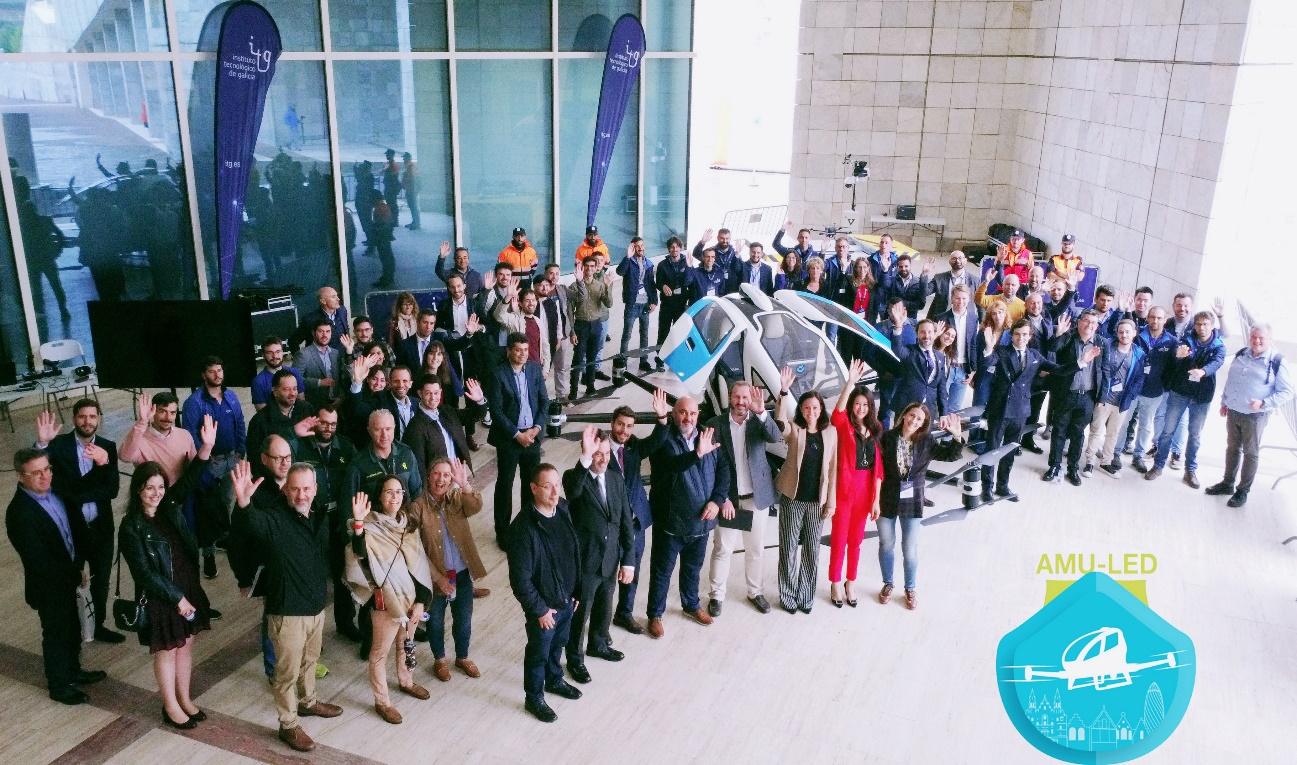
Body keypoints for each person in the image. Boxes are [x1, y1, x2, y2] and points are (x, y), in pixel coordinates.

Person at [231, 460, 341, 752]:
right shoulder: (274, 519)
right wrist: (243, 504)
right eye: (294, 489)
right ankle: (288, 724)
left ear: (315, 489)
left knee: (310, 661)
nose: (301, 495)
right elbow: (250, 524)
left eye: (306, 488)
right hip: (287, 611)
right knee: (286, 673)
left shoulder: (319, 515)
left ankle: (308, 702)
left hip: (316, 606)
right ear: (285, 490)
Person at [118, 415, 217, 729]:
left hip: (185, 585)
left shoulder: (170, 505)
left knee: (186, 645)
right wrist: (177, 599)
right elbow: (144, 574)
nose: (156, 493)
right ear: (138, 490)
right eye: (149, 488)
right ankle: (170, 706)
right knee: (168, 650)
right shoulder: (131, 526)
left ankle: (185, 699)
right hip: (162, 596)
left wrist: (206, 447)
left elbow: (190, 479)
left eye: (160, 487)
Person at [7, 448, 107, 705]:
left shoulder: (57, 491)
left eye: (47, 469)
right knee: (56, 634)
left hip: (71, 574)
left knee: (73, 628)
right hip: (49, 586)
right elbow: (39, 561)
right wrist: (75, 574)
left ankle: (73, 670)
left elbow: (74, 528)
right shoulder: (19, 513)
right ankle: (59, 685)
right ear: (20, 476)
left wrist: (81, 562)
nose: (45, 476)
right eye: (37, 473)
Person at [344, 479, 433, 725]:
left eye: (398, 492)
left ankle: (406, 682)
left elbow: (419, 566)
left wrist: (420, 601)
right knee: (379, 653)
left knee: (406, 644)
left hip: (410, 600)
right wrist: (359, 524)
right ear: (380, 496)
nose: (394, 497)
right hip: (386, 601)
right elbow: (360, 554)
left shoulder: (409, 524)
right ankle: (382, 702)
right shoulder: (369, 525)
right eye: (389, 492)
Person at [35, 402, 123, 644]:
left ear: (99, 419)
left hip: (100, 527)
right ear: (74, 419)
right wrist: (41, 444)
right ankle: (73, 629)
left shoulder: (107, 446)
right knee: (70, 580)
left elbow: (112, 489)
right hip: (71, 529)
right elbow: (37, 469)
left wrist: (75, 495)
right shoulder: (58, 445)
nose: (87, 421)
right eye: (82, 416)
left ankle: (97, 625)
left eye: (92, 416)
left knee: (101, 580)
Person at [644, 396, 728, 637]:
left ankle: (691, 605)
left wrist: (717, 500)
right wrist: (697, 454)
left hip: (701, 522)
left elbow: (723, 469)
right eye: (682, 412)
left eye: (692, 413)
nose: (687, 418)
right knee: (662, 571)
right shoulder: (663, 438)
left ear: (698, 414)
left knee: (693, 568)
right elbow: (670, 465)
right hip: (671, 522)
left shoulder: (709, 435)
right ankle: (655, 614)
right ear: (673, 414)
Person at [507, 464, 584, 723]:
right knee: (538, 654)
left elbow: (572, 553)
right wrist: (539, 610)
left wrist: (576, 591)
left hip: (566, 601)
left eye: (557, 485)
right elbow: (520, 580)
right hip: (544, 609)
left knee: (558, 645)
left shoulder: (561, 509)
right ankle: (534, 698)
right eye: (547, 486)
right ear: (533, 488)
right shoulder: (523, 529)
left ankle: (554, 680)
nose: (554, 492)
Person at [562, 427, 636, 684]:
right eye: (597, 454)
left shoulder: (615, 479)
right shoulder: (575, 477)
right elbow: (572, 492)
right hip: (586, 562)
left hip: (610, 559)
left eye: (606, 454)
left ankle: (598, 644)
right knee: (580, 614)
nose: (603, 459)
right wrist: (586, 456)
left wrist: (628, 561)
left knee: (605, 607)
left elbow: (625, 521)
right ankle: (575, 659)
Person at [705, 382, 782, 617]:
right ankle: (717, 595)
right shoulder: (714, 425)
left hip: (756, 498)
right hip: (729, 501)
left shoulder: (758, 421)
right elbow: (709, 467)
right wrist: (721, 499)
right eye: (737, 397)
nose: (740, 402)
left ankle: (755, 592)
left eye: (745, 397)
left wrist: (761, 412)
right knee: (722, 549)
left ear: (750, 399)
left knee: (755, 550)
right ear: (730, 398)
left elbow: (775, 436)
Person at [406, 458, 486, 682]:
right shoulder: (417, 507)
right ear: (428, 476)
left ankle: (462, 657)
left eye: (446, 475)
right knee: (435, 621)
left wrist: (464, 484)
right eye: (437, 474)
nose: (441, 479)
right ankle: (439, 660)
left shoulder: (457, 498)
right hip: (433, 577)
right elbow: (415, 549)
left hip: (462, 573)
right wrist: (437, 577)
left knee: (464, 619)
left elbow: (476, 506)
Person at [877, 405, 964, 610]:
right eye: (912, 415)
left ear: (923, 423)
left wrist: (957, 436)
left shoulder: (926, 441)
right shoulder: (887, 438)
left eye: (919, 419)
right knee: (886, 544)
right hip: (886, 498)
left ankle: (910, 588)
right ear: (904, 415)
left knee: (910, 548)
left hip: (913, 501)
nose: (914, 421)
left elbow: (950, 455)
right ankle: (888, 583)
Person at [292, 404, 360, 641]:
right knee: (314, 576)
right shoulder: (300, 446)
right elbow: (280, 458)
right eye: (323, 423)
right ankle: (313, 633)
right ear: (314, 421)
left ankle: (345, 623)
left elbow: (356, 482)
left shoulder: (347, 448)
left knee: (343, 574)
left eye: (333, 424)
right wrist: (293, 434)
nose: (328, 428)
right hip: (312, 521)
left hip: (339, 520)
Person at [773, 367, 838, 614]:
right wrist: (783, 391)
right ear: (801, 410)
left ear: (821, 409)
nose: (811, 412)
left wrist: (830, 502)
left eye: (815, 408)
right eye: (807, 408)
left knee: (812, 551)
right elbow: (780, 422)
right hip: (793, 498)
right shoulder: (794, 429)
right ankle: (788, 595)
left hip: (816, 503)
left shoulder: (830, 432)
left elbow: (832, 469)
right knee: (788, 548)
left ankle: (806, 596)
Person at [1206, 324, 1294, 507]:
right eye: (1253, 337)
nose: (1257, 341)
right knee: (1232, 448)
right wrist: (1225, 402)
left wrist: (1264, 403)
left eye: (1261, 338)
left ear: (1270, 340)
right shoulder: (1242, 354)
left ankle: (1242, 491)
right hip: (1233, 410)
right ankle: (1227, 483)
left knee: (1250, 453)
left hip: (1255, 416)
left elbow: (1287, 392)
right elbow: (1232, 380)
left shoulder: (1276, 361)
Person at [608, 398, 670, 634]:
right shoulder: (600, 450)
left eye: (629, 426)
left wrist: (662, 418)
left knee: (631, 571)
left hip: (635, 522)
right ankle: (600, 623)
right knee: (607, 576)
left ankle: (624, 614)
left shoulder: (633, 447)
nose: (624, 430)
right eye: (620, 424)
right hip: (611, 524)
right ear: (612, 423)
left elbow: (656, 441)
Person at [1145, 311, 1227, 488]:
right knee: (1167, 431)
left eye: (1205, 324)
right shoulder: (1187, 339)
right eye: (1198, 324)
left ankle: (1190, 471)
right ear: (1194, 325)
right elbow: (1177, 357)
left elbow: (1218, 362)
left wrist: (1203, 371)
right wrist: (1179, 356)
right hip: (1180, 391)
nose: (1201, 328)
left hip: (1202, 396)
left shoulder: (1219, 345)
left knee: (1195, 435)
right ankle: (1158, 465)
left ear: (1212, 326)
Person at [825, 360, 883, 607]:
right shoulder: (844, 425)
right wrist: (850, 383)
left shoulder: (876, 428)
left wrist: (876, 499)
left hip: (865, 489)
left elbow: (878, 468)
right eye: (857, 404)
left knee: (856, 541)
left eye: (865, 404)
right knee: (839, 538)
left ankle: (851, 581)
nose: (860, 408)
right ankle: (835, 582)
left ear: (870, 407)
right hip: (844, 489)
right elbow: (836, 414)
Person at [182, 356, 246, 579]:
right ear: (204, 375)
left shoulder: (231, 396)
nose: (217, 375)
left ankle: (223, 538)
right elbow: (189, 434)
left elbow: (240, 422)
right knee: (207, 510)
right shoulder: (194, 403)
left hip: (232, 459)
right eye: (212, 371)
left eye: (219, 370)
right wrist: (203, 460)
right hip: (210, 464)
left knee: (226, 501)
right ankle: (208, 554)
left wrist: (241, 448)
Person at [981, 320, 1057, 501]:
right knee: (992, 450)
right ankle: (987, 488)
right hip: (999, 409)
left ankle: (1003, 486)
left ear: (1030, 336)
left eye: (1024, 334)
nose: (1020, 338)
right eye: (1017, 334)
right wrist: (989, 349)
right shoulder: (1001, 351)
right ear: (1012, 335)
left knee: (1010, 451)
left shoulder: (1034, 355)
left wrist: (1080, 362)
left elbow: (1058, 370)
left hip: (1020, 411)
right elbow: (987, 363)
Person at [487, 332, 549, 546]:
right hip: (509, 439)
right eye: (518, 350)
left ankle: (527, 527)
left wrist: (536, 429)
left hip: (532, 436)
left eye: (525, 350)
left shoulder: (534, 369)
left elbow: (544, 402)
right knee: (505, 485)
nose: (523, 354)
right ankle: (502, 532)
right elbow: (496, 411)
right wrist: (517, 434)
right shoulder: (498, 374)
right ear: (509, 351)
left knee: (530, 485)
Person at [1043, 311, 1106, 485]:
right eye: (1086, 321)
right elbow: (1052, 348)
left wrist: (1101, 396)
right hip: (1066, 393)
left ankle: (1072, 468)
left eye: (1093, 323)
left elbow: (1105, 370)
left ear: (1097, 326)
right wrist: (1059, 334)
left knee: (1078, 434)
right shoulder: (1068, 337)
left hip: (1088, 397)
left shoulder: (1101, 343)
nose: (1089, 325)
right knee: (1059, 430)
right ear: (1079, 322)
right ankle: (1054, 466)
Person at [1082, 319, 1147, 477]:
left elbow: (1139, 378)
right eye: (1121, 332)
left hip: (1122, 401)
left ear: (1134, 333)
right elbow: (1100, 371)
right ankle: (1089, 462)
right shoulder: (1107, 348)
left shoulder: (1139, 354)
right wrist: (1100, 394)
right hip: (1104, 399)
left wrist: (1131, 396)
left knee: (1113, 433)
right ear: (1117, 333)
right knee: (1096, 430)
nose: (1124, 335)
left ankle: (1106, 462)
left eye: (1127, 332)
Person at [404, 376, 479, 485]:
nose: (433, 398)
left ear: (440, 392)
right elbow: (419, 467)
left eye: (436, 393)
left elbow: (474, 415)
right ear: (420, 394)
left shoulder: (447, 411)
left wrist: (480, 401)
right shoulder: (415, 427)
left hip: (456, 477)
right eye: (428, 393)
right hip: (438, 484)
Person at [1129, 306, 1178, 473]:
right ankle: (1115, 453)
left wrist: (1164, 386)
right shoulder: (1137, 335)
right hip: (1133, 388)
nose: (1155, 321)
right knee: (1124, 423)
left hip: (1154, 391)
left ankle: (1138, 456)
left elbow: (1173, 367)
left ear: (1164, 320)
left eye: (1159, 318)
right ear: (1148, 318)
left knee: (1145, 425)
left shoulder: (1172, 342)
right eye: (1152, 317)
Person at [345, 409, 423, 511]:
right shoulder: (359, 463)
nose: (384, 435)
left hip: (405, 518)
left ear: (394, 427)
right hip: (374, 520)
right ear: (369, 430)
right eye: (378, 429)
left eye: (388, 429)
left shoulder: (406, 453)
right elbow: (348, 505)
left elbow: (417, 493)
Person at [886, 308, 949, 421]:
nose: (926, 335)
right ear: (917, 334)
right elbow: (897, 348)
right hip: (906, 408)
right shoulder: (910, 352)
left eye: (929, 332)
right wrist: (898, 326)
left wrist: (943, 413)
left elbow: (942, 387)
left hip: (928, 410)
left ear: (935, 334)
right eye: (922, 332)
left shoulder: (940, 357)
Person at [569, 255, 613, 397]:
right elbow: (569, 311)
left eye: (592, 266)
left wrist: (607, 286)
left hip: (596, 324)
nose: (589, 269)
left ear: (596, 269)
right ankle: (573, 390)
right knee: (578, 358)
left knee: (592, 358)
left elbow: (609, 304)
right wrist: (572, 331)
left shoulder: (600, 285)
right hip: (581, 325)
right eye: (586, 266)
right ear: (582, 267)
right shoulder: (574, 286)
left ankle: (590, 386)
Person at [247, 370, 317, 459]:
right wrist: (292, 432)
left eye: (295, 388)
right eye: (287, 389)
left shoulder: (307, 409)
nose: (292, 393)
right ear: (275, 391)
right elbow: (255, 458)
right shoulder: (259, 421)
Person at [616, 238, 659, 372]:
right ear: (633, 248)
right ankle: (623, 362)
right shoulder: (629, 262)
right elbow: (620, 272)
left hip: (645, 304)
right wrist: (627, 257)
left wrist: (654, 302)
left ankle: (643, 361)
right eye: (637, 246)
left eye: (642, 245)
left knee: (644, 334)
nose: (640, 248)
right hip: (632, 305)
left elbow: (651, 284)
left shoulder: (648, 263)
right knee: (627, 335)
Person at [935, 283, 979, 410]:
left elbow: (973, 345)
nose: (961, 302)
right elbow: (936, 345)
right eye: (957, 298)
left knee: (955, 409)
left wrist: (973, 371)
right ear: (952, 298)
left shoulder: (973, 318)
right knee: (939, 406)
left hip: (963, 370)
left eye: (964, 298)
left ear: (969, 299)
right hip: (945, 367)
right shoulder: (941, 318)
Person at [493, 283, 553, 374]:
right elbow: (498, 315)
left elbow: (545, 346)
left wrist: (546, 369)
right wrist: (508, 297)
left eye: (533, 300)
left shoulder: (538, 321)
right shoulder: (514, 319)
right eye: (527, 301)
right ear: (520, 303)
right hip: (518, 369)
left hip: (537, 368)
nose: (531, 303)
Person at [535, 274, 576, 403]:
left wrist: (558, 338)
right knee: (540, 372)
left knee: (560, 367)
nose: (544, 288)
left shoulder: (552, 303)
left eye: (546, 285)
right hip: (537, 344)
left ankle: (561, 395)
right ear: (535, 286)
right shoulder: (531, 303)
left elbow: (558, 321)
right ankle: (540, 398)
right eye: (541, 285)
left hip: (553, 341)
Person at [656, 237, 692, 368]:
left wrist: (689, 267)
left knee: (679, 334)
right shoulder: (662, 265)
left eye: (677, 247)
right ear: (668, 249)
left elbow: (688, 281)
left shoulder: (686, 262)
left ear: (680, 248)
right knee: (663, 332)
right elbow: (658, 282)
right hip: (667, 304)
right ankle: (660, 359)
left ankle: (676, 361)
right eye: (672, 247)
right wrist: (663, 286)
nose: (674, 249)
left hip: (681, 304)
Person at [972, 299, 1012, 408]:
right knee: (979, 406)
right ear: (990, 316)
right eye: (994, 313)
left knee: (996, 408)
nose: (997, 316)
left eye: (1000, 312)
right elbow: (976, 353)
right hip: (984, 373)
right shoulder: (984, 331)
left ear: (1005, 313)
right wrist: (973, 375)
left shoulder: (1011, 333)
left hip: (1002, 375)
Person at [295, 319, 343, 409]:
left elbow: (341, 379)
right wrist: (319, 382)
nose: (325, 335)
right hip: (314, 406)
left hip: (335, 404)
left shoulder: (335, 353)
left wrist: (340, 397)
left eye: (328, 331)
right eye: (321, 331)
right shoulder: (303, 354)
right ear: (313, 333)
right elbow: (294, 379)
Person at [919, 249, 980, 318]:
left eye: (960, 258)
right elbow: (924, 292)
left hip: (965, 319)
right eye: (954, 258)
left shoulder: (975, 280)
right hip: (941, 318)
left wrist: (983, 322)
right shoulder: (939, 278)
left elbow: (980, 304)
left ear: (965, 261)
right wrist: (925, 273)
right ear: (949, 261)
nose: (957, 261)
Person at [252, 337, 306, 411]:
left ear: (282, 352)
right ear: (263, 355)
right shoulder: (258, 381)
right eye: (269, 353)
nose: (275, 356)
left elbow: (302, 403)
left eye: (278, 352)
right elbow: (262, 413)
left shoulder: (295, 372)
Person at [289, 287, 349, 352]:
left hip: (343, 356)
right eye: (333, 297)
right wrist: (300, 357)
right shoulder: (310, 319)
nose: (338, 299)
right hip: (321, 357)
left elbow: (346, 331)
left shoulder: (342, 311)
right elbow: (293, 341)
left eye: (337, 296)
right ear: (323, 301)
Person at [882, 253, 924, 319]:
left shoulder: (918, 282)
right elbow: (884, 286)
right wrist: (885, 270)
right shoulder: (892, 280)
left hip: (910, 319)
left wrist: (902, 304)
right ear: (897, 267)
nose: (903, 269)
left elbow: (920, 305)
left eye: (906, 266)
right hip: (892, 318)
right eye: (901, 267)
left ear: (910, 266)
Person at [401, 152, 420, 230]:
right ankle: (414, 222)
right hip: (410, 189)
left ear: (408, 159)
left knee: (413, 207)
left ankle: (416, 224)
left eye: (404, 158)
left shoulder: (411, 167)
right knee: (412, 206)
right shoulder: (409, 167)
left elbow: (412, 179)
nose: (403, 160)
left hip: (412, 190)